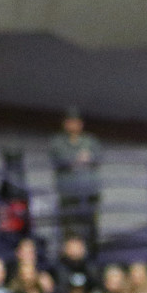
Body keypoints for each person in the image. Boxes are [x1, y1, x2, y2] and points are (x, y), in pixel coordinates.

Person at [50, 109, 102, 255]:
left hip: (89, 192)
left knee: (90, 227)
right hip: (69, 194)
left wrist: (81, 160)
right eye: (70, 121)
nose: (74, 125)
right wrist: (77, 159)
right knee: (70, 229)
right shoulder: (58, 142)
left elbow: (97, 156)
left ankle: (92, 255)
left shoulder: (90, 140)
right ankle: (71, 257)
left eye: (76, 122)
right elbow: (61, 160)